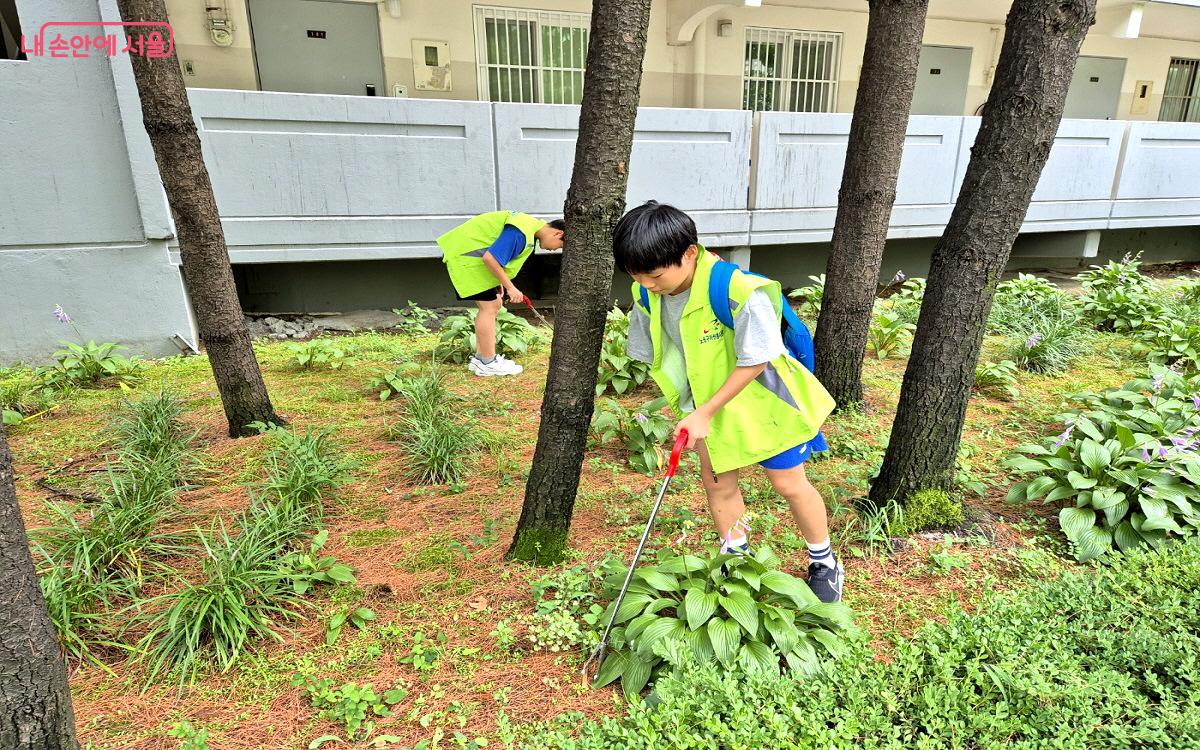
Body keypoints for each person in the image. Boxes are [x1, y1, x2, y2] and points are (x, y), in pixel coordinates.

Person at [614, 201, 844, 602]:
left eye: (654, 275)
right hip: (709, 410)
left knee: (789, 483)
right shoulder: (646, 293)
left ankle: (823, 561)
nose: (647, 285)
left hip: (768, 406)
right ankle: (736, 560)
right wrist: (693, 410)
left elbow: (756, 359)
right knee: (718, 486)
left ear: (689, 254)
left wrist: (703, 412)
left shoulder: (737, 290)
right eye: (638, 276)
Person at [437, 211, 565, 377]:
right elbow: (490, 258)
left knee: (494, 304)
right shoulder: (521, 232)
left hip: (470, 258)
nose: (555, 250)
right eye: (560, 246)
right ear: (558, 233)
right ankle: (488, 362)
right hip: (468, 260)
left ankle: (481, 359)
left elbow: (493, 251)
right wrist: (511, 287)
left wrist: (498, 282)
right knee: (488, 308)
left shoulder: (527, 226)